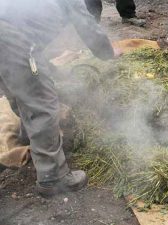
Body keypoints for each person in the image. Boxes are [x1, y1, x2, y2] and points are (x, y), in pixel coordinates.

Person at [0, 0, 121, 196]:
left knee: (19, 90)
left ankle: (29, 137)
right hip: (10, 37)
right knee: (43, 104)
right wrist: (108, 52)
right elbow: (87, 25)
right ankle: (52, 176)